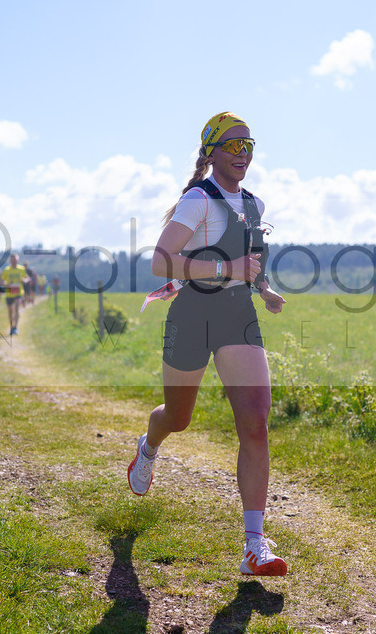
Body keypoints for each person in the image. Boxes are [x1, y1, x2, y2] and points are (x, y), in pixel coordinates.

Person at [127, 111, 288, 576]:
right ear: (211, 151)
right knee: (177, 418)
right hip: (192, 313)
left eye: (249, 145)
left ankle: (254, 545)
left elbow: (250, 259)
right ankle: (149, 445)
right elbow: (162, 261)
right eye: (234, 146)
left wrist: (263, 288)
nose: (243, 154)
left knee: (255, 422)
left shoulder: (254, 204)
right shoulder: (198, 199)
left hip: (238, 316)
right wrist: (227, 270)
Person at [0, 254, 29, 336]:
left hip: (19, 292)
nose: (14, 261)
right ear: (10, 261)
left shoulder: (21, 269)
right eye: (12, 260)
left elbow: (27, 278)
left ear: (18, 260)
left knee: (16, 308)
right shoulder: (7, 270)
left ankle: (16, 327)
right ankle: (11, 327)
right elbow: (1, 280)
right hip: (9, 292)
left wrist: (24, 280)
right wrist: (4, 284)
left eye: (15, 260)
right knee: (10, 311)